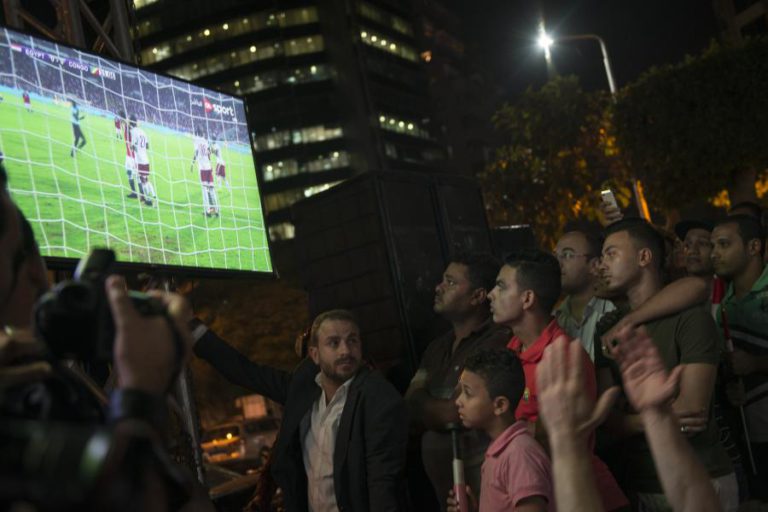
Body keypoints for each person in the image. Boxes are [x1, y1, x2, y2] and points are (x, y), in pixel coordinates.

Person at [190, 308, 409, 512]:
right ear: (314, 354)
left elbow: (383, 485)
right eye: (334, 343)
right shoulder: (303, 388)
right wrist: (192, 328)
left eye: (352, 341)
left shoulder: (378, 399)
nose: (345, 351)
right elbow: (245, 371)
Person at [597, 218, 736, 511]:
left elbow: (689, 415)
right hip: (638, 482)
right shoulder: (608, 330)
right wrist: (656, 417)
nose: (602, 264)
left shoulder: (690, 319)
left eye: (611, 253)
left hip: (699, 478)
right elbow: (607, 421)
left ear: (644, 257)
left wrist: (631, 420)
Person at [488, 249, 628, 511]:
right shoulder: (513, 348)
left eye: (501, 286)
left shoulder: (562, 355)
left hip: (582, 495)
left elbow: (550, 434)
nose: (490, 294)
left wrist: (494, 423)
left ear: (527, 298)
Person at [405, 252, 509, 510]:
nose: (439, 287)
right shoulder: (436, 349)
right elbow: (407, 408)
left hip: (491, 488)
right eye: (443, 280)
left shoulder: (496, 340)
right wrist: (428, 407)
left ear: (477, 296)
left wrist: (423, 401)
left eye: (451, 282)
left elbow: (454, 412)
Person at [447, 349, 553, 512]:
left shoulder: (520, 454)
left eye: (467, 393)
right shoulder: (503, 449)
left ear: (500, 405)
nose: (458, 401)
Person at [711, 214, 768, 501]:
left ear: (753, 246)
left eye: (723, 244)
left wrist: (757, 364)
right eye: (714, 246)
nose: (714, 254)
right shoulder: (722, 305)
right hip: (751, 438)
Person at [554, 229, 616, 360]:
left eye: (568, 255)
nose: (557, 264)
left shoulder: (614, 312)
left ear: (594, 265)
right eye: (556, 256)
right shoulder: (554, 320)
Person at [191, 126, 219, 217]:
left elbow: (196, 152)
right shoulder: (206, 141)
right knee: (211, 189)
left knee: (204, 190)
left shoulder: (196, 140)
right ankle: (216, 210)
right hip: (209, 168)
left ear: (197, 132)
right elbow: (209, 153)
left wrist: (192, 163)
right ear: (203, 133)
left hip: (202, 169)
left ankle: (207, 211)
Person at [130, 116, 156, 207]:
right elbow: (147, 146)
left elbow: (132, 146)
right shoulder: (143, 132)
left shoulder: (133, 132)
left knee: (143, 180)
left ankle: (148, 200)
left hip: (140, 161)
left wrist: (135, 148)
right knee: (146, 180)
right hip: (146, 160)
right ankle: (154, 196)